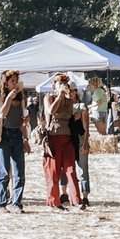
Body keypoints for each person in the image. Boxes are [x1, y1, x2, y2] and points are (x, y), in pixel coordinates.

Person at [42, 74, 86, 208]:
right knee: (53, 173)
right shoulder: (49, 98)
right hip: (53, 138)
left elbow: (71, 115)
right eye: (60, 83)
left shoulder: (69, 101)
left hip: (67, 139)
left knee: (71, 170)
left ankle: (76, 201)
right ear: (54, 86)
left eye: (65, 83)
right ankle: (54, 202)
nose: (63, 85)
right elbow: (51, 110)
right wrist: (60, 97)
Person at [0, 73, 27, 211]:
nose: (15, 83)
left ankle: (16, 203)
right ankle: (1, 203)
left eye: (17, 81)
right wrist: (9, 98)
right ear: (5, 83)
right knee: (3, 172)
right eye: (12, 81)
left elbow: (24, 118)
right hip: (3, 135)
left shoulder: (21, 97)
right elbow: (2, 114)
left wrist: (26, 137)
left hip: (17, 134)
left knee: (19, 172)